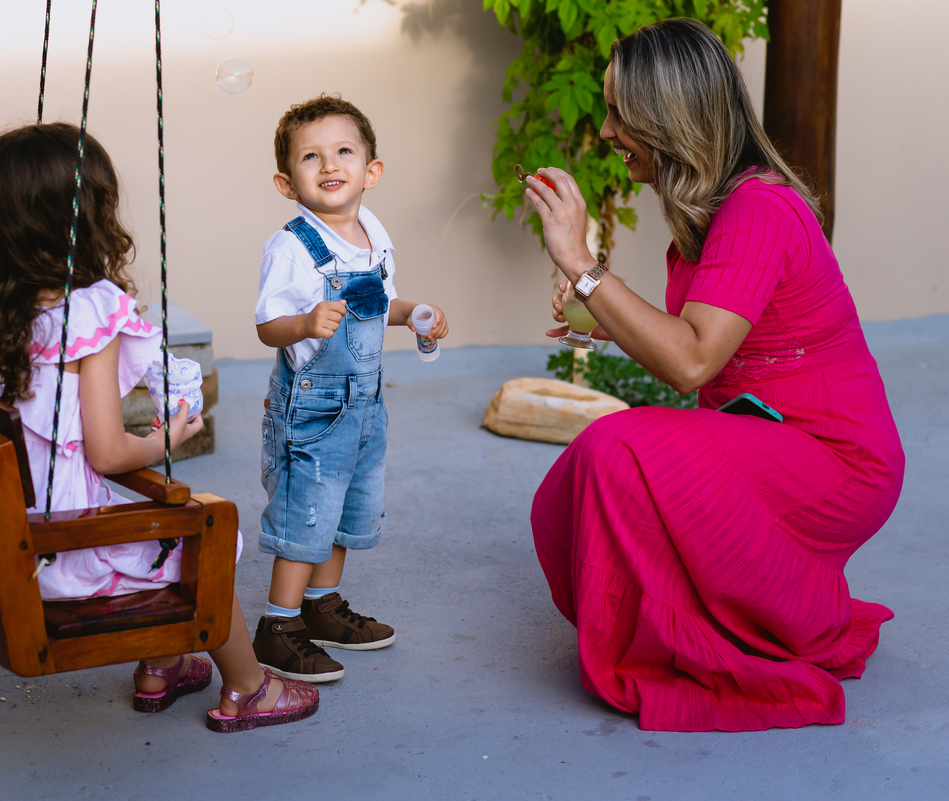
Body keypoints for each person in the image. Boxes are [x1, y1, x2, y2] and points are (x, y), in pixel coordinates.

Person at [524, 19, 904, 732]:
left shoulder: (758, 208)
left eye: (617, 112)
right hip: (775, 436)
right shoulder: (720, 212)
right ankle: (719, 619)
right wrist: (601, 315)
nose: (606, 131)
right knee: (592, 468)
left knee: (617, 449)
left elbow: (692, 359)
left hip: (836, 461)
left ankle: (706, 642)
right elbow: (712, 349)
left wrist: (581, 262)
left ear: (665, 118)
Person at [0, 123, 318, 733]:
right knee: (210, 537)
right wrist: (170, 438)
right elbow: (111, 452)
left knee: (159, 541)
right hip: (52, 544)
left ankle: (161, 664)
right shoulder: (88, 314)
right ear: (90, 219)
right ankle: (250, 687)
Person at [252, 95, 449, 682]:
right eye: (310, 157)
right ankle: (278, 625)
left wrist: (415, 311)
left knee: (342, 509)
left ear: (372, 170)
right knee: (306, 510)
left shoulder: (373, 232)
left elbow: (377, 303)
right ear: (287, 184)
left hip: (364, 403)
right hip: (312, 407)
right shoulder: (291, 246)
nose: (330, 164)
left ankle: (322, 607)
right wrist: (305, 323)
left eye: (343, 151)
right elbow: (267, 327)